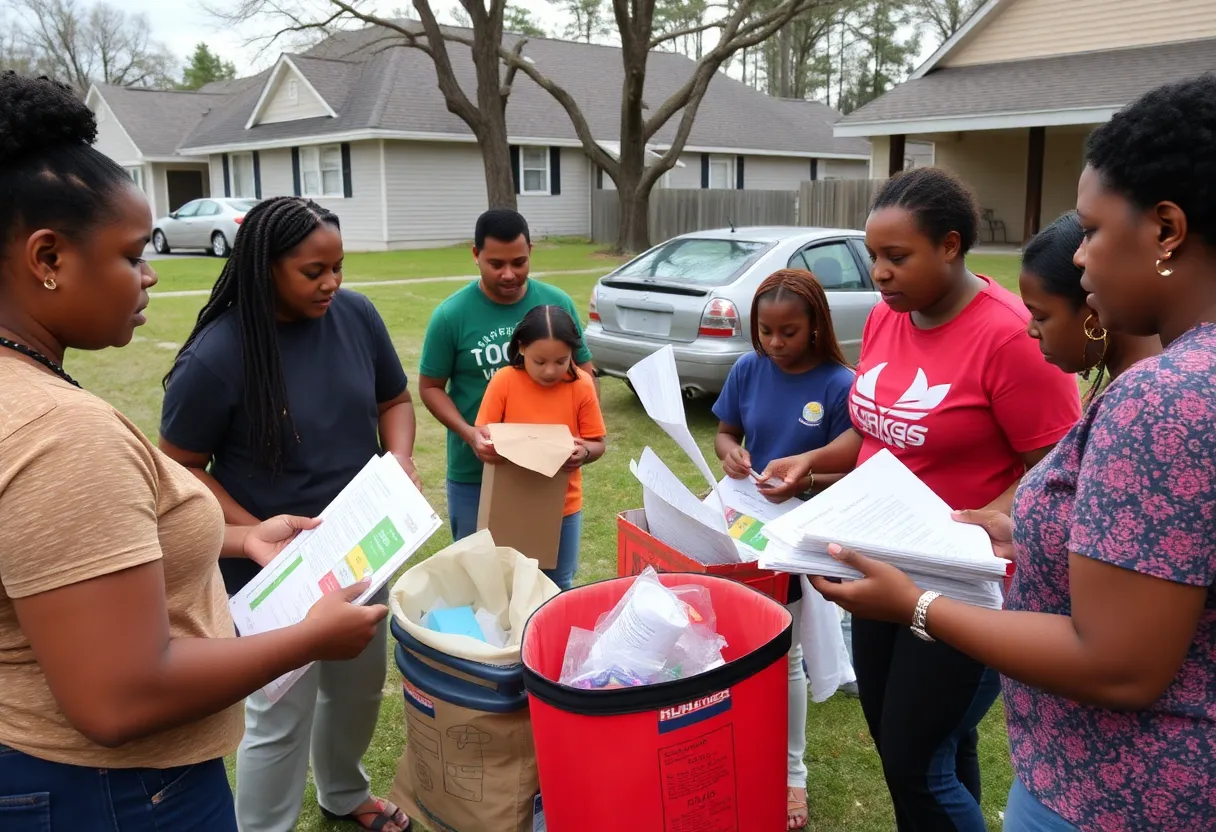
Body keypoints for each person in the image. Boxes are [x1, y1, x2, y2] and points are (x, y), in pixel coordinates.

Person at [809, 74, 1216, 832]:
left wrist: (919, 604)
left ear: (1165, 229)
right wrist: (1020, 525)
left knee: (919, 759)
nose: (1083, 262)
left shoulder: (1165, 398)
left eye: (1091, 232)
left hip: (1116, 795)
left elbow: (1118, 662)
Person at [0, 71, 385, 831]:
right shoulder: (58, 433)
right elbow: (123, 694)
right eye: (131, 254)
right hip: (117, 795)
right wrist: (308, 637)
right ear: (48, 256)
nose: (147, 277)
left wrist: (243, 533)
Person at [759, 167, 1082, 832]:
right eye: (875, 256)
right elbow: (875, 424)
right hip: (878, 564)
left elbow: (1053, 467)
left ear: (952, 246)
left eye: (897, 257)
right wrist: (812, 460)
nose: (879, 272)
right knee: (920, 745)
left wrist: (968, 529)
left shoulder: (1010, 336)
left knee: (914, 762)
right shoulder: (886, 318)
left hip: (961, 579)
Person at [158, 196, 418, 832]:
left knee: (357, 689)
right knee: (279, 714)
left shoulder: (355, 315)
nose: (332, 282)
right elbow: (181, 469)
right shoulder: (219, 354)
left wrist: (402, 458)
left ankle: (342, 791)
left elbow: (396, 398)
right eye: (313, 271)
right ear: (264, 268)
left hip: (363, 546)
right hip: (275, 568)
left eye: (338, 267)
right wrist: (248, 533)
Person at [711, 269, 855, 830]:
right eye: (766, 332)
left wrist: (807, 482)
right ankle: (735, 744)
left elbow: (853, 466)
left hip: (802, 534)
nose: (775, 344)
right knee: (734, 639)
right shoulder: (749, 369)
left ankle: (792, 775)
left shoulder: (840, 384)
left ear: (816, 326)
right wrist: (730, 454)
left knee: (786, 653)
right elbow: (726, 431)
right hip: (744, 522)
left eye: (788, 332)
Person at [419, 209, 596, 542]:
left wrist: (583, 442)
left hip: (548, 472)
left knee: (550, 583)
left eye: (519, 262)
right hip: (476, 472)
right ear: (476, 255)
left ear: (530, 250)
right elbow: (430, 387)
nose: (509, 274)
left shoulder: (555, 304)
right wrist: (469, 432)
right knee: (481, 578)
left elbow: (584, 373)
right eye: (496, 264)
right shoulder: (451, 315)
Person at [475, 305, 606, 589]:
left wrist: (583, 453)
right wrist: (484, 445)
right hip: (509, 502)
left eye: (561, 361)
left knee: (557, 582)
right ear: (521, 348)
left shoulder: (581, 385)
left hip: (563, 506)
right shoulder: (505, 381)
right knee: (505, 582)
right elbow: (483, 432)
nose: (550, 370)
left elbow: (597, 444)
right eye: (540, 361)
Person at [1020, 211, 1161, 394]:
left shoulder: (1141, 399)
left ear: (1094, 312)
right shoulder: (1156, 373)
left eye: (1040, 317)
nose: (1030, 330)